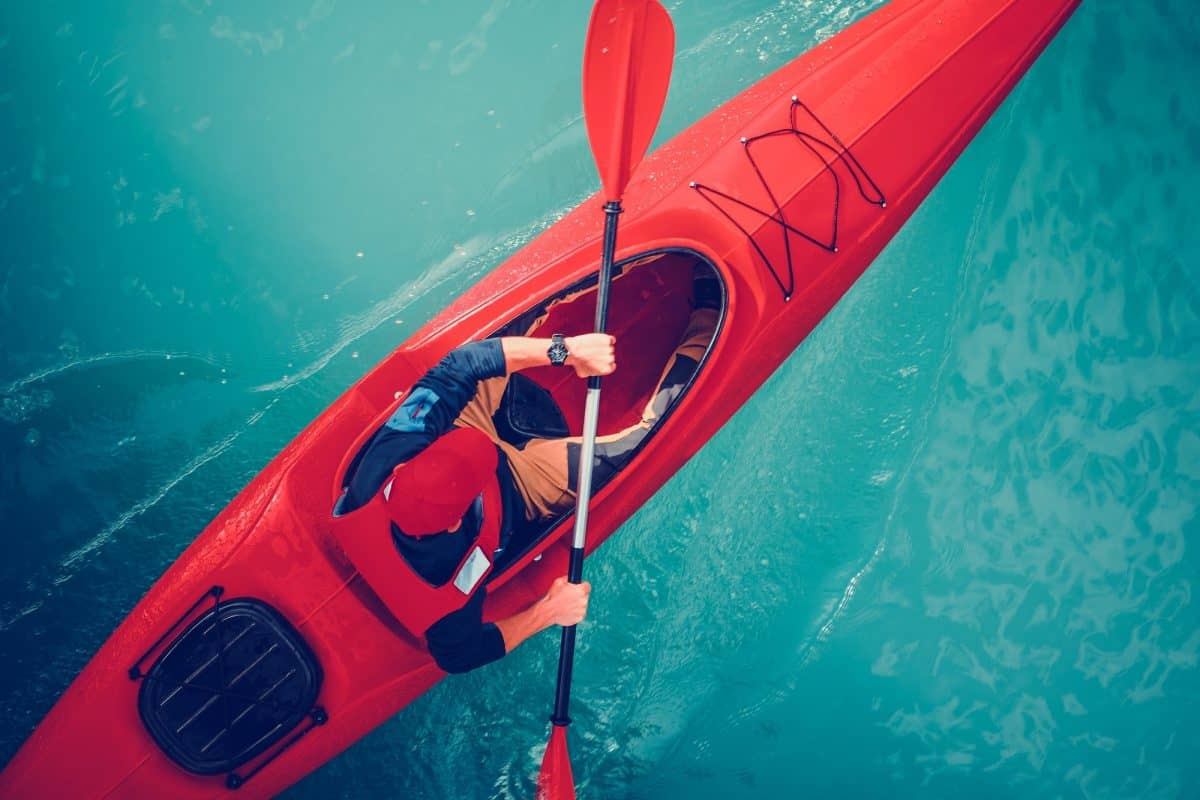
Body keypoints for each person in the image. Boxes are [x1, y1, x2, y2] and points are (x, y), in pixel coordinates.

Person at [338, 272, 719, 674]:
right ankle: (709, 314)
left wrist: (566, 351)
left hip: (468, 427)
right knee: (637, 443)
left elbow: (462, 364)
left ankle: (595, 282)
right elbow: (458, 656)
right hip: (517, 490)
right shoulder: (447, 593)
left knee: (500, 335)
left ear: (403, 469)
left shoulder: (391, 453)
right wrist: (548, 611)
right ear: (456, 525)